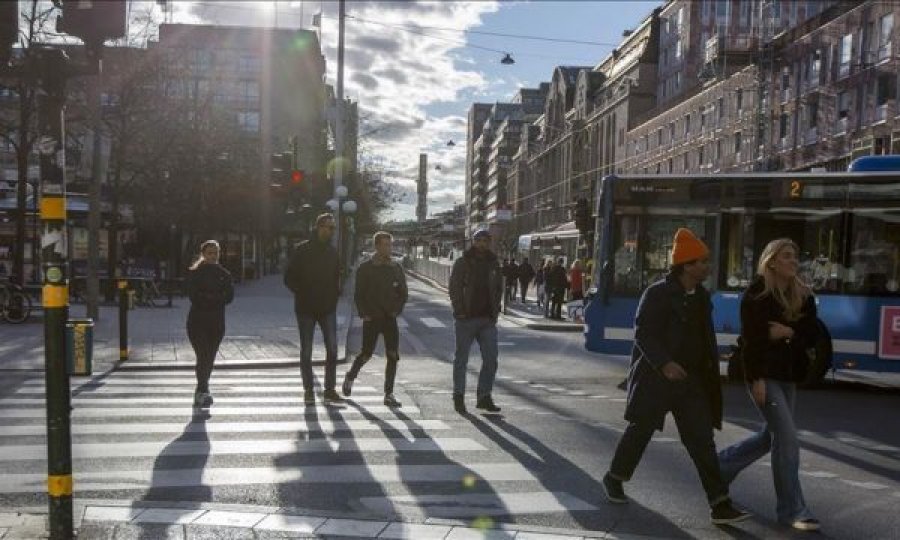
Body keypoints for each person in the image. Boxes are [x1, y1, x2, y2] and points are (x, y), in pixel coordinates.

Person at [601, 228, 750, 525]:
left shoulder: (702, 296)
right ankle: (615, 477)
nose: (707, 267)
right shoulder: (656, 293)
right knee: (640, 431)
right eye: (702, 262)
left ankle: (720, 504)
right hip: (657, 379)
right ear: (686, 265)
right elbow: (643, 332)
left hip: (691, 381)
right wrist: (664, 363)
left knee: (701, 441)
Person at [717, 238, 820, 531]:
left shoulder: (803, 295)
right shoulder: (757, 294)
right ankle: (792, 510)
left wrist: (786, 331)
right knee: (787, 439)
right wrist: (756, 379)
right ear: (772, 261)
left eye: (795, 256)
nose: (793, 261)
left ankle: (719, 468)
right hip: (765, 376)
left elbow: (812, 335)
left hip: (789, 377)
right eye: (786, 256)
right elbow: (753, 341)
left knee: (770, 437)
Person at [342, 231, 408, 407]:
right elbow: (359, 294)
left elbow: (403, 293)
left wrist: (396, 310)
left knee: (393, 355)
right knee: (366, 354)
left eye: (390, 245)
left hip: (389, 318)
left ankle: (389, 394)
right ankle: (350, 376)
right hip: (372, 318)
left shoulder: (396, 268)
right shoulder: (365, 268)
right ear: (376, 246)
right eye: (385, 245)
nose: (388, 248)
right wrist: (364, 313)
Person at [284, 213, 342, 405]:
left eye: (333, 228)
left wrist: (336, 293)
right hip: (306, 308)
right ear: (319, 227)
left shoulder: (333, 252)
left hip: (328, 308)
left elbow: (337, 277)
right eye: (328, 227)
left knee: (333, 349)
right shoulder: (302, 250)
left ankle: (330, 390)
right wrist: (301, 292)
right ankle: (308, 390)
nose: (331, 231)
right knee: (307, 351)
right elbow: (288, 277)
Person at [449, 228, 503, 414]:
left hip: (487, 320)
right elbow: (454, 287)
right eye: (479, 240)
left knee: (491, 359)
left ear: (489, 243)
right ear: (473, 242)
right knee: (461, 359)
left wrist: (495, 312)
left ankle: (484, 396)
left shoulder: (494, 263)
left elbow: (498, 288)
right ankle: (458, 396)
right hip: (466, 319)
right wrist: (459, 311)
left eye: (485, 241)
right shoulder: (462, 262)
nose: (482, 244)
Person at [184, 240, 234, 408]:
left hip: (217, 322)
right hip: (197, 322)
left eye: (215, 253)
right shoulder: (195, 273)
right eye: (210, 253)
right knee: (203, 355)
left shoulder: (224, 274)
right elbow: (194, 296)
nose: (213, 256)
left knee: (210, 357)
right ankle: (203, 391)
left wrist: (211, 297)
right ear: (203, 254)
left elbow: (230, 297)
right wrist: (215, 298)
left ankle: (201, 391)